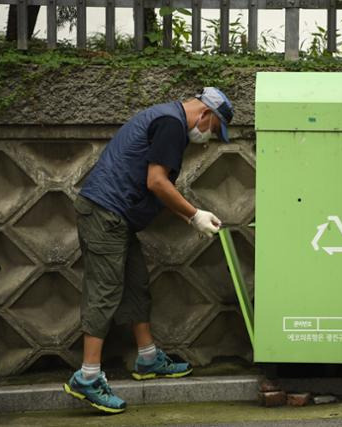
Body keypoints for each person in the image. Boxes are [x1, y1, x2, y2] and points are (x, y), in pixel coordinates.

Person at [63, 87, 234, 413]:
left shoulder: (166, 117)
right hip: (105, 214)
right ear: (205, 114)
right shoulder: (171, 124)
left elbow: (154, 183)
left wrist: (189, 216)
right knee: (105, 292)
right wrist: (193, 214)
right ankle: (87, 377)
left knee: (137, 284)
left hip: (115, 216)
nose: (208, 138)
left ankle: (147, 358)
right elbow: (157, 182)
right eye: (212, 130)